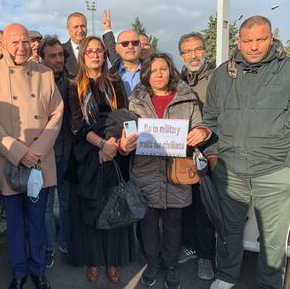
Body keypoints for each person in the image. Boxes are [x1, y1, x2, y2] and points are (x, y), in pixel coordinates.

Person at [0, 23, 63, 289]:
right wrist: (19, 152)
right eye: (15, 42)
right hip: (8, 161)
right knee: (13, 223)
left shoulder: (45, 74)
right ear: (2, 45)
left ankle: (37, 269)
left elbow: (56, 114)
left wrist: (36, 151)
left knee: (37, 221)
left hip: (39, 160)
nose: (21, 47)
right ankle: (19, 271)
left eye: (25, 41)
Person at [204, 15, 290, 289]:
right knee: (229, 230)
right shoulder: (222, 73)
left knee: (273, 238)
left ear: (272, 36)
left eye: (260, 39)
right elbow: (210, 117)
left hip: (275, 170)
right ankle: (227, 275)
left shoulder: (286, 70)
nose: (253, 46)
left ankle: (270, 283)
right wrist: (214, 158)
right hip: (230, 171)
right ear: (238, 41)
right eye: (247, 40)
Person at [120, 52, 210, 289]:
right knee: (148, 223)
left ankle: (170, 265)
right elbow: (129, 130)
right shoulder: (136, 100)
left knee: (173, 223)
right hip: (145, 171)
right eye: (154, 70)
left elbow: (200, 126)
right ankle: (152, 263)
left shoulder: (187, 99)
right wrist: (125, 141)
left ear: (170, 71)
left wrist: (201, 133)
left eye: (163, 69)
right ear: (146, 73)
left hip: (177, 174)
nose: (159, 74)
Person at [68, 36, 134, 284]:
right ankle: (93, 260)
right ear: (82, 56)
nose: (95, 55)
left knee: (115, 205)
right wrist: (102, 145)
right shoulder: (73, 85)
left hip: (115, 154)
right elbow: (77, 125)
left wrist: (113, 144)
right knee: (91, 209)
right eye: (90, 51)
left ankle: (113, 260)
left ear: (105, 54)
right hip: (87, 155)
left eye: (99, 51)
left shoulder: (115, 83)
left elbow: (124, 117)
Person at [177, 31, 216, 280]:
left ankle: (206, 255)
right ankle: (189, 245)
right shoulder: (177, 79)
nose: (193, 55)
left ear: (205, 50)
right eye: (187, 51)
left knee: (205, 208)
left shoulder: (218, 77)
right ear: (181, 55)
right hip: (182, 154)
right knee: (185, 204)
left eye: (197, 49)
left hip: (209, 151)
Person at [38, 35, 73, 268]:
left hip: (68, 153)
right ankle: (49, 248)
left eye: (61, 54)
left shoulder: (72, 82)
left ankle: (66, 242)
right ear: (41, 58)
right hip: (46, 154)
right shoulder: (35, 84)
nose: (58, 59)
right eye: (53, 56)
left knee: (68, 202)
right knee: (47, 207)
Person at [63, 12, 87, 78]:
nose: (80, 30)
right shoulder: (61, 51)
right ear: (68, 29)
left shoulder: (96, 50)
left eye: (83, 26)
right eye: (76, 27)